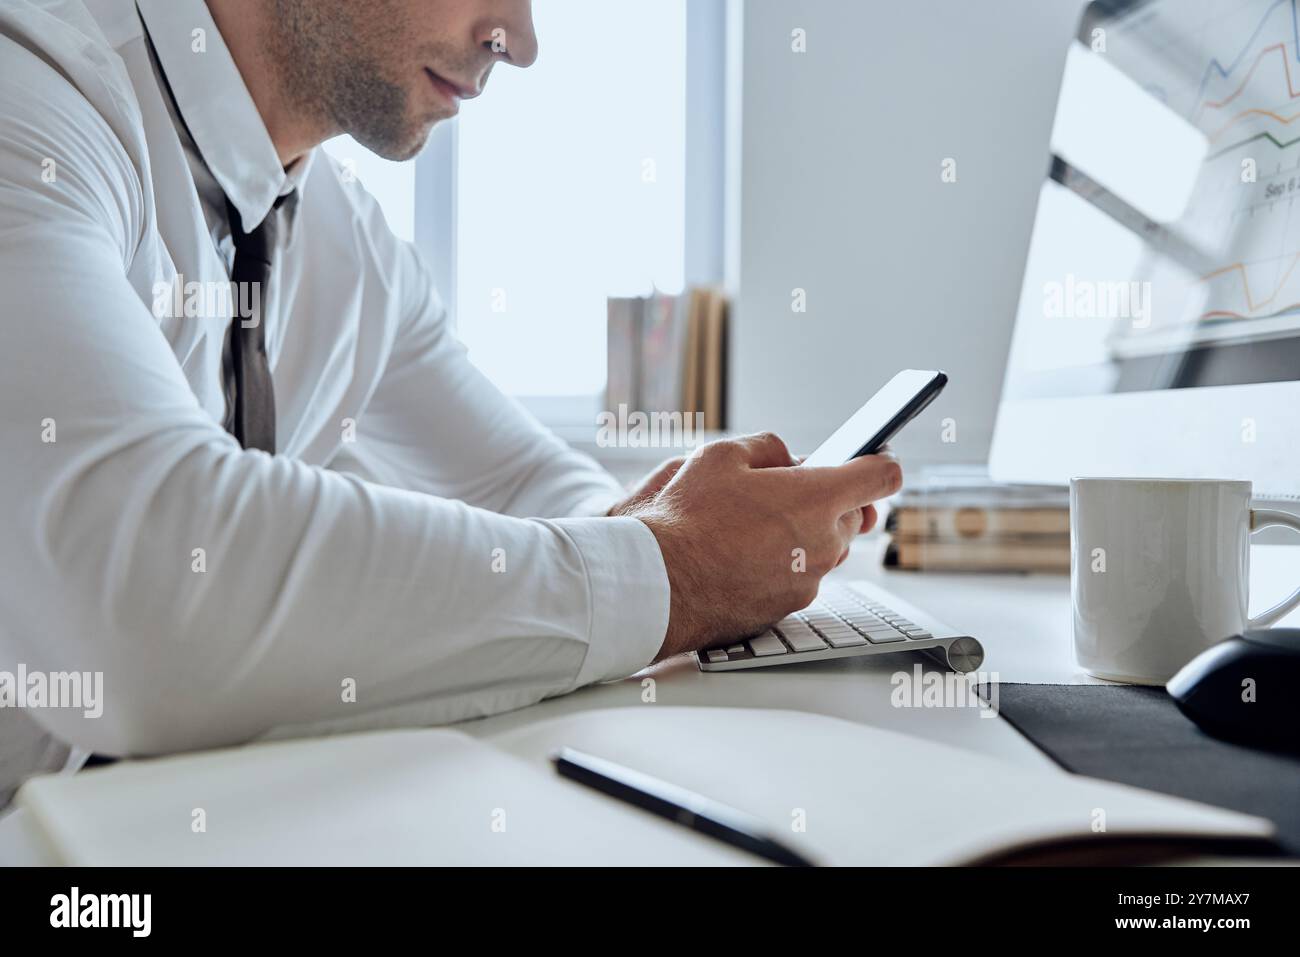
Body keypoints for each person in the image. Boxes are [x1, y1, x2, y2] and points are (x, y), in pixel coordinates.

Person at [0, 0, 900, 807]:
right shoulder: (33, 97)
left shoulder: (346, 242)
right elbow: (141, 579)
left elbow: (523, 479)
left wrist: (693, 544)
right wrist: (670, 573)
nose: (523, 39)